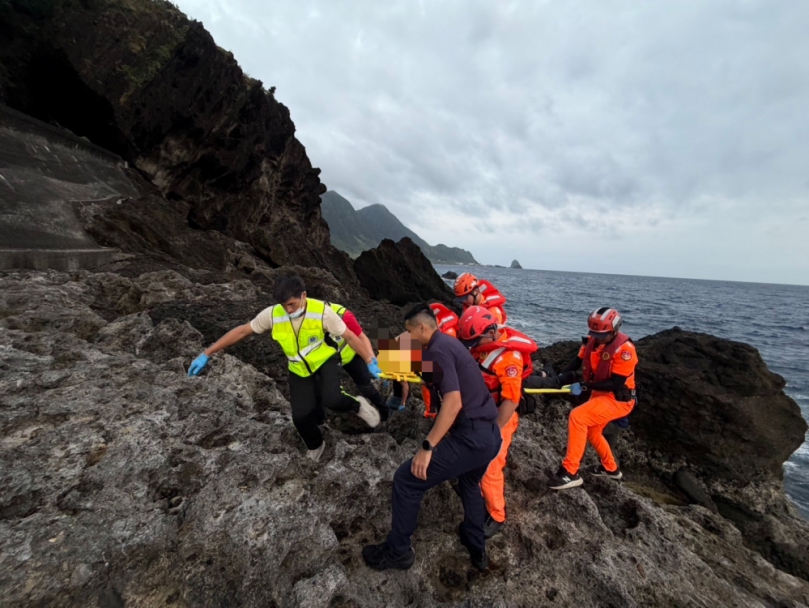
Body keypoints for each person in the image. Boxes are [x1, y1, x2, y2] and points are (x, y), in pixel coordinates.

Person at [362, 304, 502, 572]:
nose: (406, 336)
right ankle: (476, 547)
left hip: (471, 438)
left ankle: (398, 551)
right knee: (470, 485)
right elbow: (424, 372)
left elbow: (453, 403)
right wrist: (384, 356)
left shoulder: (437, 351)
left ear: (422, 328)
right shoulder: (447, 344)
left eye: (409, 331)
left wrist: (427, 447)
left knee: (406, 481)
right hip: (491, 437)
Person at [187, 275, 383, 462]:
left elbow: (349, 336)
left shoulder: (322, 312)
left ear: (303, 295)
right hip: (298, 368)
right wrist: (207, 353)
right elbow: (243, 331)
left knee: (332, 399)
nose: (288, 310)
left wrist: (369, 360)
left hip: (325, 361)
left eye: (292, 304)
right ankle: (316, 446)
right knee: (300, 417)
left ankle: (358, 405)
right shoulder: (273, 314)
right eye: (284, 305)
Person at [458, 305, 539, 539]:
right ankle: (478, 494)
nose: (472, 347)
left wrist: (493, 431)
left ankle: (496, 515)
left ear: (490, 333)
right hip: (482, 410)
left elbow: (511, 401)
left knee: (491, 465)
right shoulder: (482, 344)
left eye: (475, 342)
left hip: (502, 416)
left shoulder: (508, 359)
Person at [547, 307, 638, 490]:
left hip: (618, 399)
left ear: (614, 330)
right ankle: (611, 469)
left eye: (601, 334)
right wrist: (556, 379)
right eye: (594, 332)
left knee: (578, 417)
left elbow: (616, 384)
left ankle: (570, 472)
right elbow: (577, 361)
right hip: (600, 395)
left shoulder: (625, 350)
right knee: (592, 432)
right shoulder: (591, 342)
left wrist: (585, 386)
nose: (597, 337)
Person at [330, 303, 389, 422]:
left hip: (351, 356)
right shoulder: (309, 321)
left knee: (365, 386)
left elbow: (361, 337)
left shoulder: (344, 315)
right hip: (329, 360)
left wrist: (371, 359)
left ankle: (384, 412)